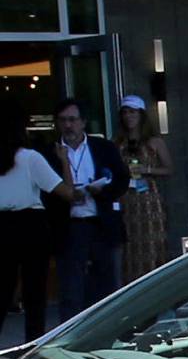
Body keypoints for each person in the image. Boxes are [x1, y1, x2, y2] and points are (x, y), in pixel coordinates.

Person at [49, 95, 130, 319]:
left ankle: (111, 333)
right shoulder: (50, 153)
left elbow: (122, 179)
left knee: (107, 285)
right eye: (63, 120)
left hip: (100, 221)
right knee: (71, 289)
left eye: (73, 120)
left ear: (83, 122)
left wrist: (101, 190)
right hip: (70, 224)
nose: (68, 125)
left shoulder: (103, 147)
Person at [0, 101, 72, 342]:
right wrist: (64, 161)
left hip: (2, 225)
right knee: (35, 294)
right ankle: (33, 343)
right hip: (31, 224)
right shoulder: (30, 158)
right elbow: (65, 193)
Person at [116, 94, 172, 280]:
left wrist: (147, 169)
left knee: (153, 245)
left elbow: (169, 168)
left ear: (141, 115)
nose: (128, 116)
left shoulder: (154, 142)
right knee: (129, 247)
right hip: (126, 200)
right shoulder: (117, 143)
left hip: (149, 200)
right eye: (125, 112)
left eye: (132, 112)